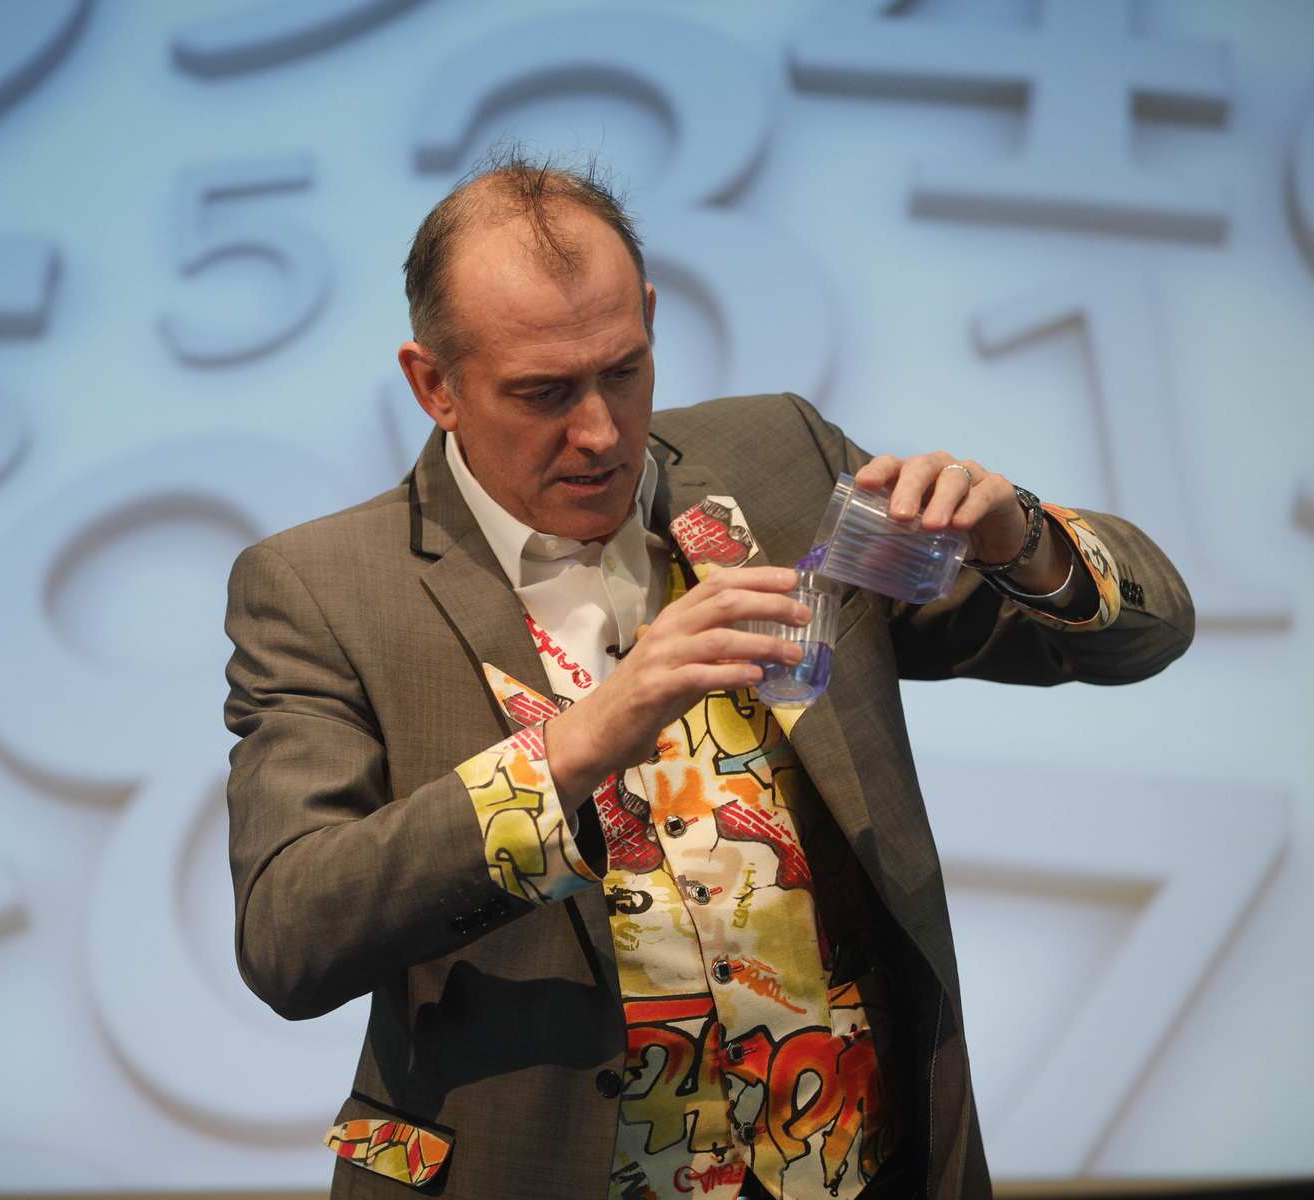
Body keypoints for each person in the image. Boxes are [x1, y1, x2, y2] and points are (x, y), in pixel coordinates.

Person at [222, 153, 1193, 1200]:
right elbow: (291, 936)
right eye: (543, 393)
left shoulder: (779, 464)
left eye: (623, 370)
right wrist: (576, 745)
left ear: (648, 316)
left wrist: (1019, 539)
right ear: (435, 385)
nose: (599, 432)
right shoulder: (326, 587)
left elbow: (1141, 637)